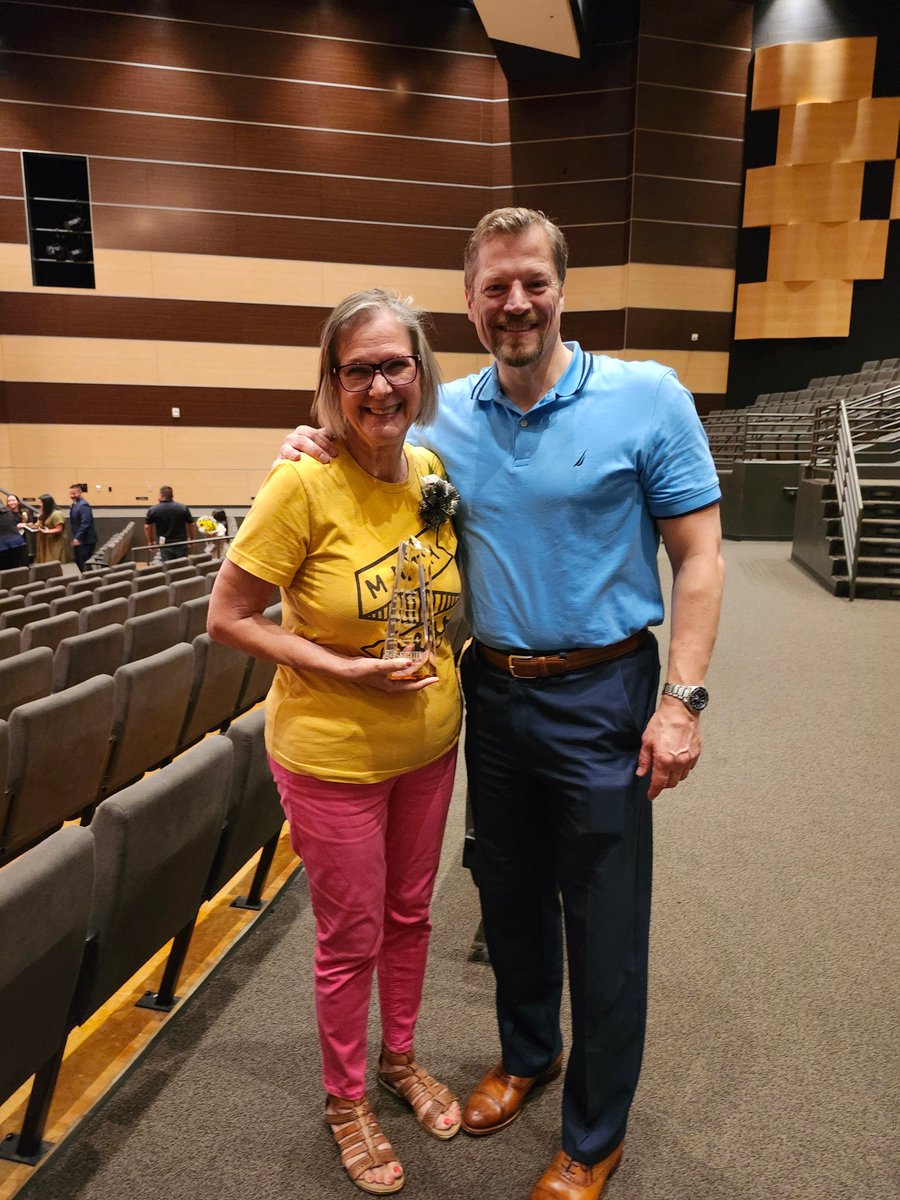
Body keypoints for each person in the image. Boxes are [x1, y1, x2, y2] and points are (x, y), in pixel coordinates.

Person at [280, 208, 725, 1200]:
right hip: (492, 691)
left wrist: (683, 700)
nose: (515, 303)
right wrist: (308, 441)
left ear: (562, 288)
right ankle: (529, 1057)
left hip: (610, 690)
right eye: (495, 287)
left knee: (604, 920)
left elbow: (699, 558)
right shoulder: (444, 419)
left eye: (533, 282)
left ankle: (594, 1133)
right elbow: (363, 446)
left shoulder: (648, 398)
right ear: (471, 301)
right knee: (511, 899)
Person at [207, 289, 464, 1196]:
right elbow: (228, 618)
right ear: (332, 382)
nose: (381, 385)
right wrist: (338, 668)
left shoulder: (432, 471)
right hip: (332, 755)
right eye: (360, 369)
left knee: (410, 916)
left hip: (430, 747)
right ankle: (346, 1098)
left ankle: (401, 1057)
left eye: (396, 364)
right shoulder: (302, 480)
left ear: (421, 372)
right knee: (350, 935)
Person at [144, 486, 196, 562]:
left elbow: (147, 527)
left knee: (168, 568)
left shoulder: (153, 510)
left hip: (165, 544)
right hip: (181, 543)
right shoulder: (183, 508)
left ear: (161, 495)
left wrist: (150, 542)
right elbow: (192, 525)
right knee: (182, 567)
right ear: (172, 496)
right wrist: (191, 539)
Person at [68, 483, 97, 572]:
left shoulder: (83, 505)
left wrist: (77, 538)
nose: (72, 496)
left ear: (80, 493)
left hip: (86, 540)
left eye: (74, 493)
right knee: (79, 563)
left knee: (84, 564)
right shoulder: (75, 504)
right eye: (70, 494)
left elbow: (86, 523)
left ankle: (89, 583)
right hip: (81, 540)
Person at [34, 493, 70, 564]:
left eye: (41, 503)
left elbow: (59, 529)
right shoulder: (44, 513)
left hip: (56, 542)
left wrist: (47, 531)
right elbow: (40, 523)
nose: (39, 505)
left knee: (54, 561)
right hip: (46, 542)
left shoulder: (57, 514)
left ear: (47, 503)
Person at [0, 493, 29, 571]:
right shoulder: (8, 512)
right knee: (16, 569)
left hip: (3, 546)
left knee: (5, 571)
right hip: (17, 542)